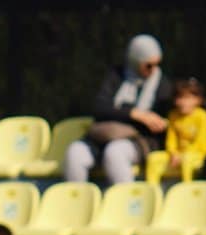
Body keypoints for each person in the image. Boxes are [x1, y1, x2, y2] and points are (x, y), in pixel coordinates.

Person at [64, 35, 174, 184]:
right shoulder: (117, 76)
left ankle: (123, 203)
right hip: (102, 137)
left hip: (137, 140)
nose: (153, 70)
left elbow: (161, 120)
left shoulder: (161, 84)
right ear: (135, 61)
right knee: (75, 153)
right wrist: (135, 114)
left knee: (115, 152)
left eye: (156, 64)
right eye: (148, 65)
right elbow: (100, 108)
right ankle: (77, 203)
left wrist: (145, 119)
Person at [144, 78, 206, 184]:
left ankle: (186, 191)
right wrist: (173, 153)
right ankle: (152, 193)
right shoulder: (173, 115)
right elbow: (171, 140)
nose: (183, 102)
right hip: (177, 155)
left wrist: (183, 154)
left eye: (188, 98)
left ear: (198, 100)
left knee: (186, 161)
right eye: (180, 98)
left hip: (196, 154)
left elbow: (203, 144)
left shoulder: (202, 116)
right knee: (153, 158)